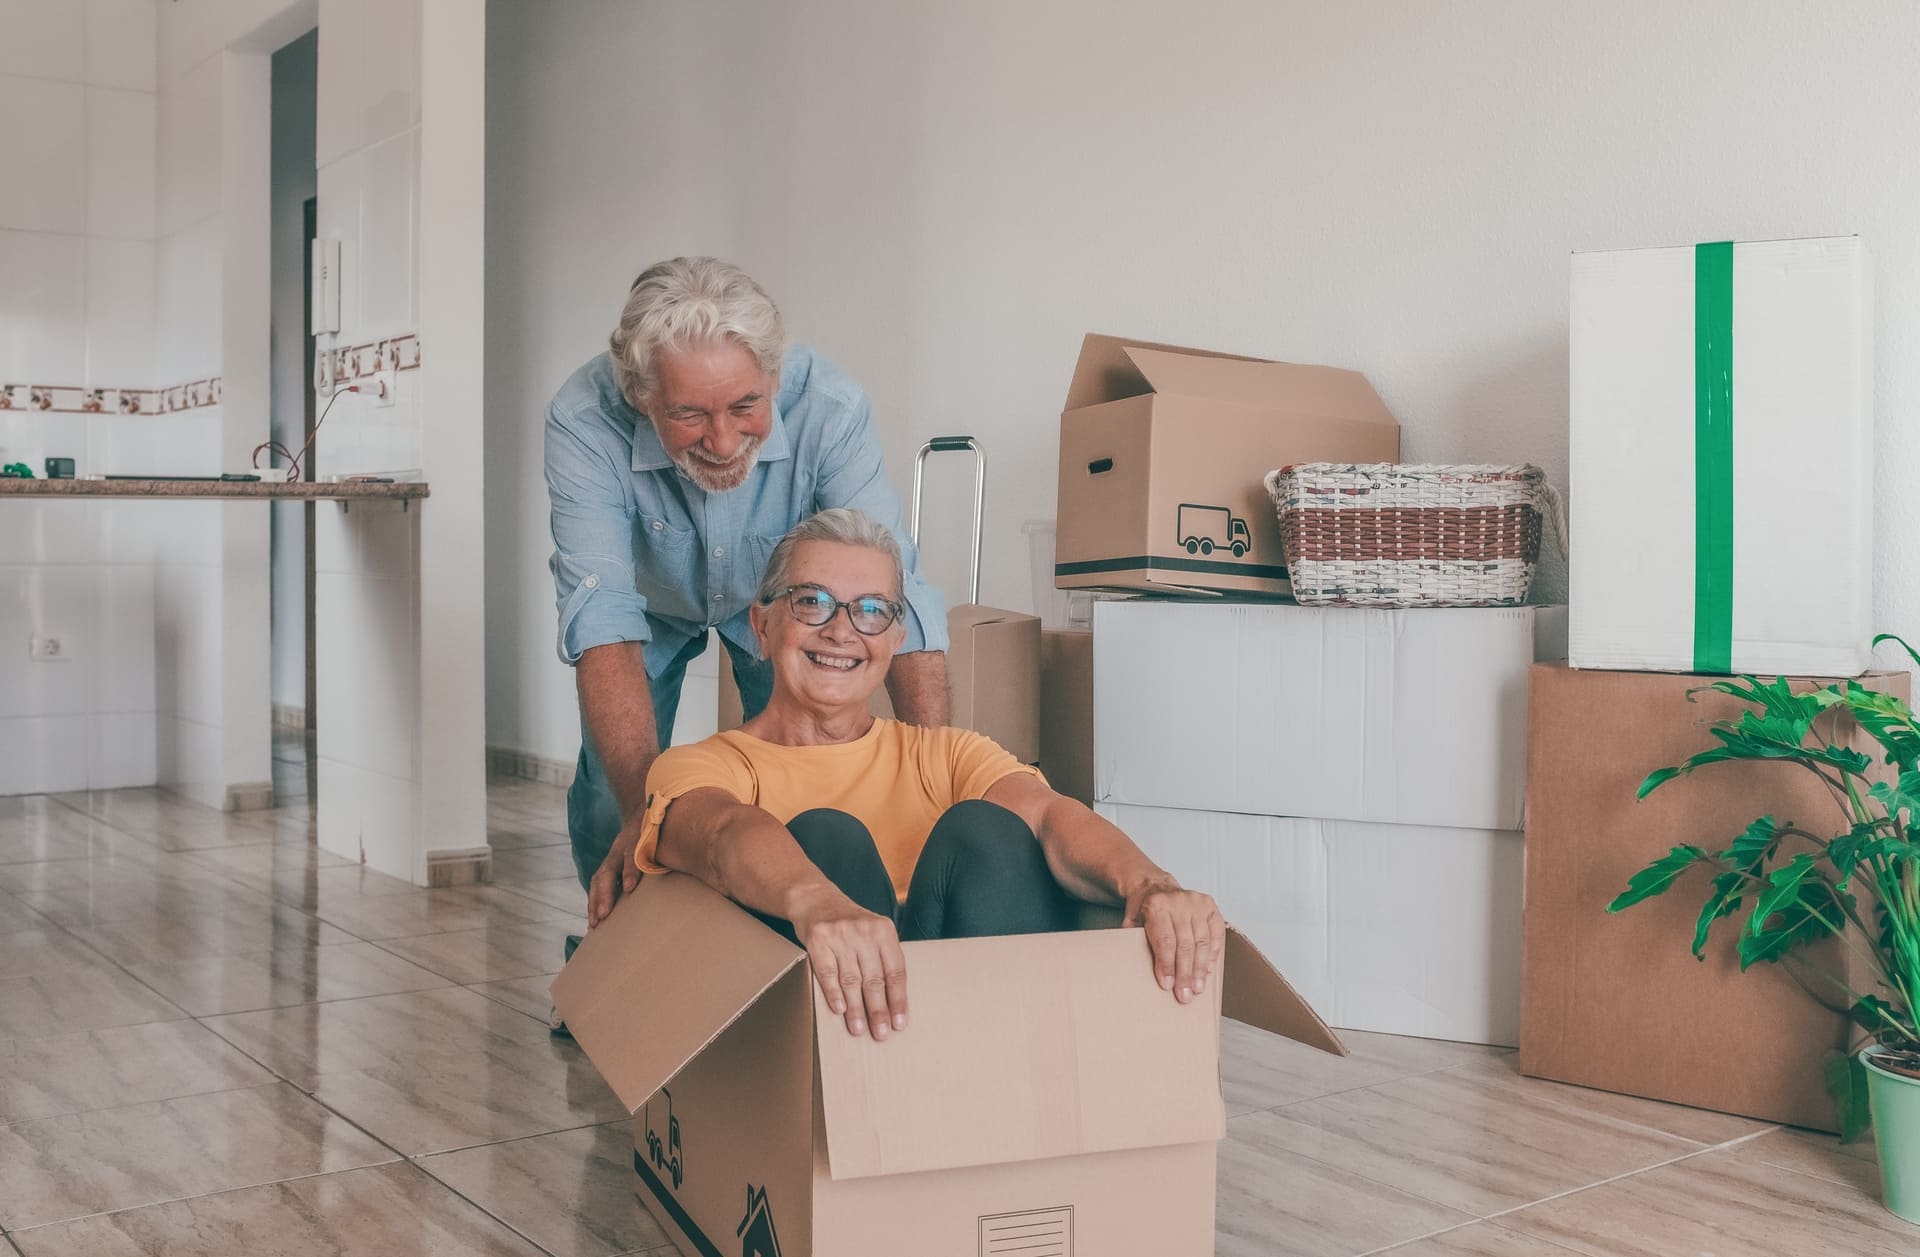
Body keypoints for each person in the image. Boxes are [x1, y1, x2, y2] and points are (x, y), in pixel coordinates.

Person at [635, 508, 1226, 1039]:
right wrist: (817, 903)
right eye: (811, 601)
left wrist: (1150, 883)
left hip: (970, 1025)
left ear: (894, 640)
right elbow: (719, 834)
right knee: (825, 837)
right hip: (823, 1046)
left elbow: (1051, 818)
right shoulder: (702, 764)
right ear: (762, 627)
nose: (842, 631)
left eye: (870, 611)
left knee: (989, 828)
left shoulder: (945, 755)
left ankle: (1006, 1089)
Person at [545, 258, 951, 939]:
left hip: (782, 598)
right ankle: (615, 954)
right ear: (643, 396)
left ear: (774, 375)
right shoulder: (584, 420)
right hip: (647, 607)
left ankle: (777, 945)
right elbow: (603, 621)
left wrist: (936, 773)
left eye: (744, 405)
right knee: (608, 803)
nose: (725, 441)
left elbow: (892, 586)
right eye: (689, 414)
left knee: (807, 767)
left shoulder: (830, 407)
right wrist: (649, 821)